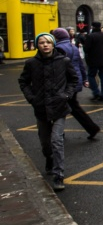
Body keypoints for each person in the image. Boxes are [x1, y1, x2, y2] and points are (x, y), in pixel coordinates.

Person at [19, 33, 78, 192]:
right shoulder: (31, 63)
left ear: (53, 45)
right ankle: (49, 158)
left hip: (59, 107)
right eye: (42, 42)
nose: (45, 45)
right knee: (45, 143)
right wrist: (32, 98)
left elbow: (73, 79)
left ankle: (58, 175)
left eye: (48, 42)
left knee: (56, 140)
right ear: (37, 45)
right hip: (41, 107)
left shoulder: (63, 61)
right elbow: (23, 82)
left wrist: (66, 95)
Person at [52, 28, 100, 140]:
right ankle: (91, 128)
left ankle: (59, 133)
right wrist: (83, 79)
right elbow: (80, 65)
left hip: (65, 82)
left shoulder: (59, 48)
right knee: (72, 107)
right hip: (75, 80)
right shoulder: (73, 46)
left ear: (57, 37)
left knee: (61, 107)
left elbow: (58, 68)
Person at [82, 21, 103, 101]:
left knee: (91, 76)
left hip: (93, 60)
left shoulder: (90, 36)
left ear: (92, 27)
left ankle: (96, 92)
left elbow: (86, 49)